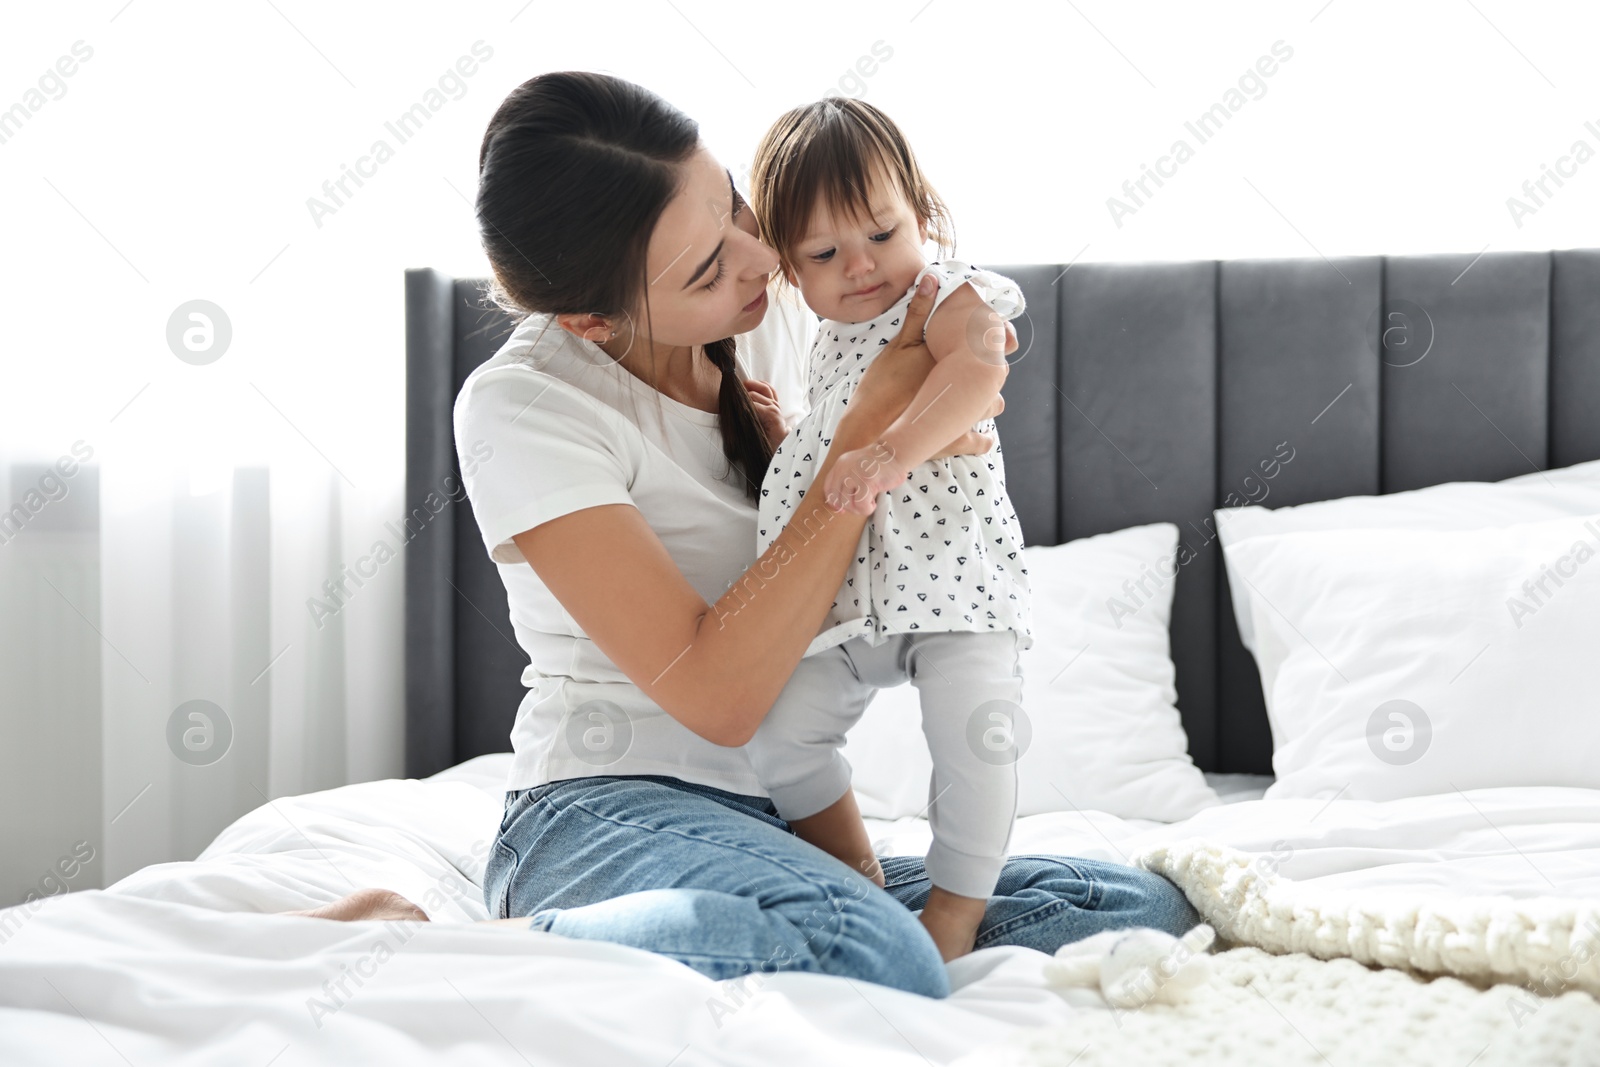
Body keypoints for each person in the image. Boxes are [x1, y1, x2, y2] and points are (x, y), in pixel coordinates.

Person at [295, 70, 1198, 1000]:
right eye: (704, 269)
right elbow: (718, 696)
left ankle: (806, 911)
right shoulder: (525, 403)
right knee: (870, 953)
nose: (759, 261)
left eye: (733, 206)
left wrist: (930, 393)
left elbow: (944, 362)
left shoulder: (772, 322)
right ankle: (470, 940)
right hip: (606, 810)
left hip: (771, 825)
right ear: (589, 318)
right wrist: (861, 439)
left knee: (1130, 904)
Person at [741, 98, 1034, 963]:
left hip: (952, 587)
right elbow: (839, 424)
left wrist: (893, 452)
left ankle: (953, 909)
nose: (862, 266)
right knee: (778, 734)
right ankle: (858, 879)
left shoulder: (950, 294)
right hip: (849, 603)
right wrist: (789, 432)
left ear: (924, 211)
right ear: (791, 272)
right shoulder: (829, 341)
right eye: (825, 254)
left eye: (881, 231)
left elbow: (979, 372)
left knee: (977, 736)